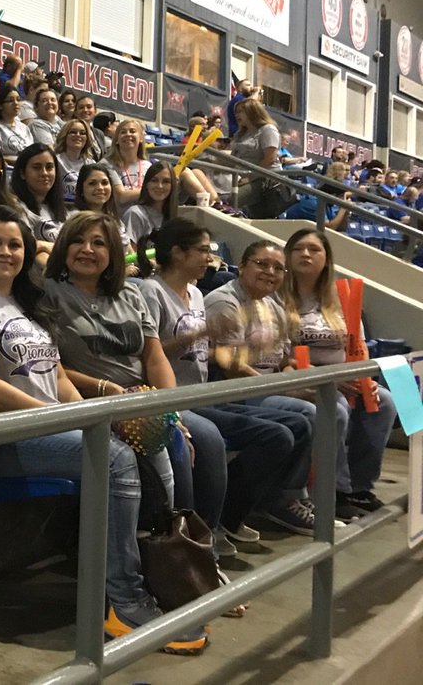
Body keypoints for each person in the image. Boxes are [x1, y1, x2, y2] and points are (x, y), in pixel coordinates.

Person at [0, 206, 207, 654]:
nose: (6, 252)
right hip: (2, 439)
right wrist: (66, 422)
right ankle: (125, 600)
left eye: (14, 244)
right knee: (116, 457)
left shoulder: (25, 305)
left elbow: (59, 379)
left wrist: (95, 419)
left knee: (143, 438)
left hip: (51, 429)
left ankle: (168, 571)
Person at [36, 211, 208, 653]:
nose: (88, 250)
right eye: (78, 241)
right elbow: (50, 366)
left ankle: (181, 572)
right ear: (64, 248)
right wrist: (105, 393)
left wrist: (168, 411)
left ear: (114, 253)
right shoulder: (47, 294)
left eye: (99, 243)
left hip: (141, 404)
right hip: (90, 405)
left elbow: (155, 358)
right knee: (134, 465)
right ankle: (126, 596)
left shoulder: (131, 294)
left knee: (183, 449)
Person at [136, 218, 299, 560]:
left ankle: (227, 518)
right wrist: (201, 334)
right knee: (208, 438)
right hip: (168, 397)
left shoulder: (196, 293)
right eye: (202, 250)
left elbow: (200, 351)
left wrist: (219, 348)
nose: (209, 258)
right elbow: (148, 356)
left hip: (201, 393)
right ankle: (199, 542)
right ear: (177, 253)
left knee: (283, 434)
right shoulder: (150, 292)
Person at [205, 240, 321, 536]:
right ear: (242, 267)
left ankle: (289, 495)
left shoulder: (274, 305)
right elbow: (228, 363)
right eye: (262, 264)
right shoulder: (225, 300)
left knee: (323, 407)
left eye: (278, 268)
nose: (270, 272)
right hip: (234, 390)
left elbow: (285, 358)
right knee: (305, 414)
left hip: (268, 387)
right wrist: (280, 389)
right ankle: (280, 499)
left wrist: (290, 378)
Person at [281, 228, 396, 519]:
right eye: (299, 249)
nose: (306, 254)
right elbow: (279, 354)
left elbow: (357, 343)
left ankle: (360, 487)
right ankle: (334, 491)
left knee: (384, 402)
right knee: (338, 406)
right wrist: (330, 378)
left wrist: (363, 378)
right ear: (288, 255)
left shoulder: (341, 296)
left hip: (344, 374)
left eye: (314, 249)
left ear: (326, 259)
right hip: (302, 376)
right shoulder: (277, 295)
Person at [231, 98, 285, 218]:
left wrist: (250, 178)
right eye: (236, 112)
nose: (237, 115)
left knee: (230, 200)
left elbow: (270, 158)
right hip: (242, 177)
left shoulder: (267, 130)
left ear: (252, 111)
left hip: (264, 179)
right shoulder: (240, 134)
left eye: (241, 111)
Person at [9, 143, 66, 244]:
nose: (44, 173)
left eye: (49, 167)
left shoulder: (59, 209)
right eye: (36, 167)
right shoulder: (16, 208)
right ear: (22, 173)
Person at [71, 163, 130, 253]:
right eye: (92, 183)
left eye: (105, 183)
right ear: (81, 190)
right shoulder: (75, 221)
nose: (100, 188)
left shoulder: (114, 219)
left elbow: (129, 251)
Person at [284, 160, 353, 230]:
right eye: (341, 197)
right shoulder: (314, 203)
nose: (342, 200)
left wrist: (346, 213)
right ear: (334, 195)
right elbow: (329, 229)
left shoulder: (329, 205)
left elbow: (341, 228)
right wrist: (343, 209)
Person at [121, 161, 174, 248]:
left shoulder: (173, 215)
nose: (160, 186)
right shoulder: (135, 214)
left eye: (166, 181)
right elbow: (129, 257)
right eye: (154, 180)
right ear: (146, 185)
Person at [104, 118, 150, 205]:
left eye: (132, 131)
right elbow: (121, 197)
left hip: (143, 214)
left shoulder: (147, 166)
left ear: (141, 138)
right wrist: (152, 191)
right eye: (123, 132)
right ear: (116, 139)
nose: (128, 134)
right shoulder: (107, 164)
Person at [0, 87, 32, 164]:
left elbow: (32, 153)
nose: (16, 103)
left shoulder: (24, 127)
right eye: (10, 100)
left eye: (18, 99)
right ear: (0, 105)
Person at [53, 118, 95, 200]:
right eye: (73, 132)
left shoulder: (91, 164)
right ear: (65, 136)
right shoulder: (55, 160)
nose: (78, 135)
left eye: (83, 133)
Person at [74, 94, 105, 158]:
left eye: (89, 107)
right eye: (81, 107)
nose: (85, 110)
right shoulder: (71, 130)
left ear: (95, 111)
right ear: (75, 112)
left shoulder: (99, 133)